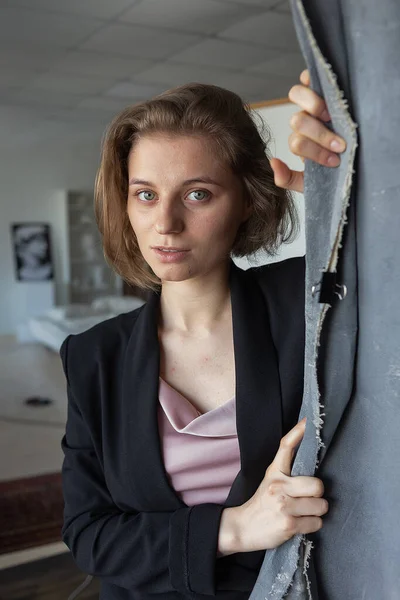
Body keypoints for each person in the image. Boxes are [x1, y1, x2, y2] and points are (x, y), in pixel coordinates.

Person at [60, 70, 346, 600]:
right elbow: (88, 534)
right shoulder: (94, 356)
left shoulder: (309, 302)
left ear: (248, 200)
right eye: (145, 194)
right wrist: (234, 528)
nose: (165, 223)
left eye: (197, 194)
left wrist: (351, 190)